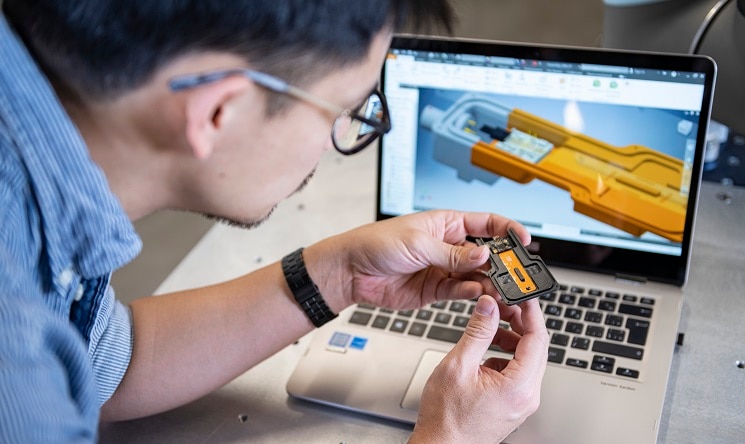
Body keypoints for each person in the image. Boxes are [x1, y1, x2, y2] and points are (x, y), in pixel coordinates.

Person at [0, 1, 549, 442]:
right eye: (345, 109)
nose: (340, 143)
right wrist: (449, 437)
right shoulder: (18, 373)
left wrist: (340, 276)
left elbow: (103, 363)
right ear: (218, 112)